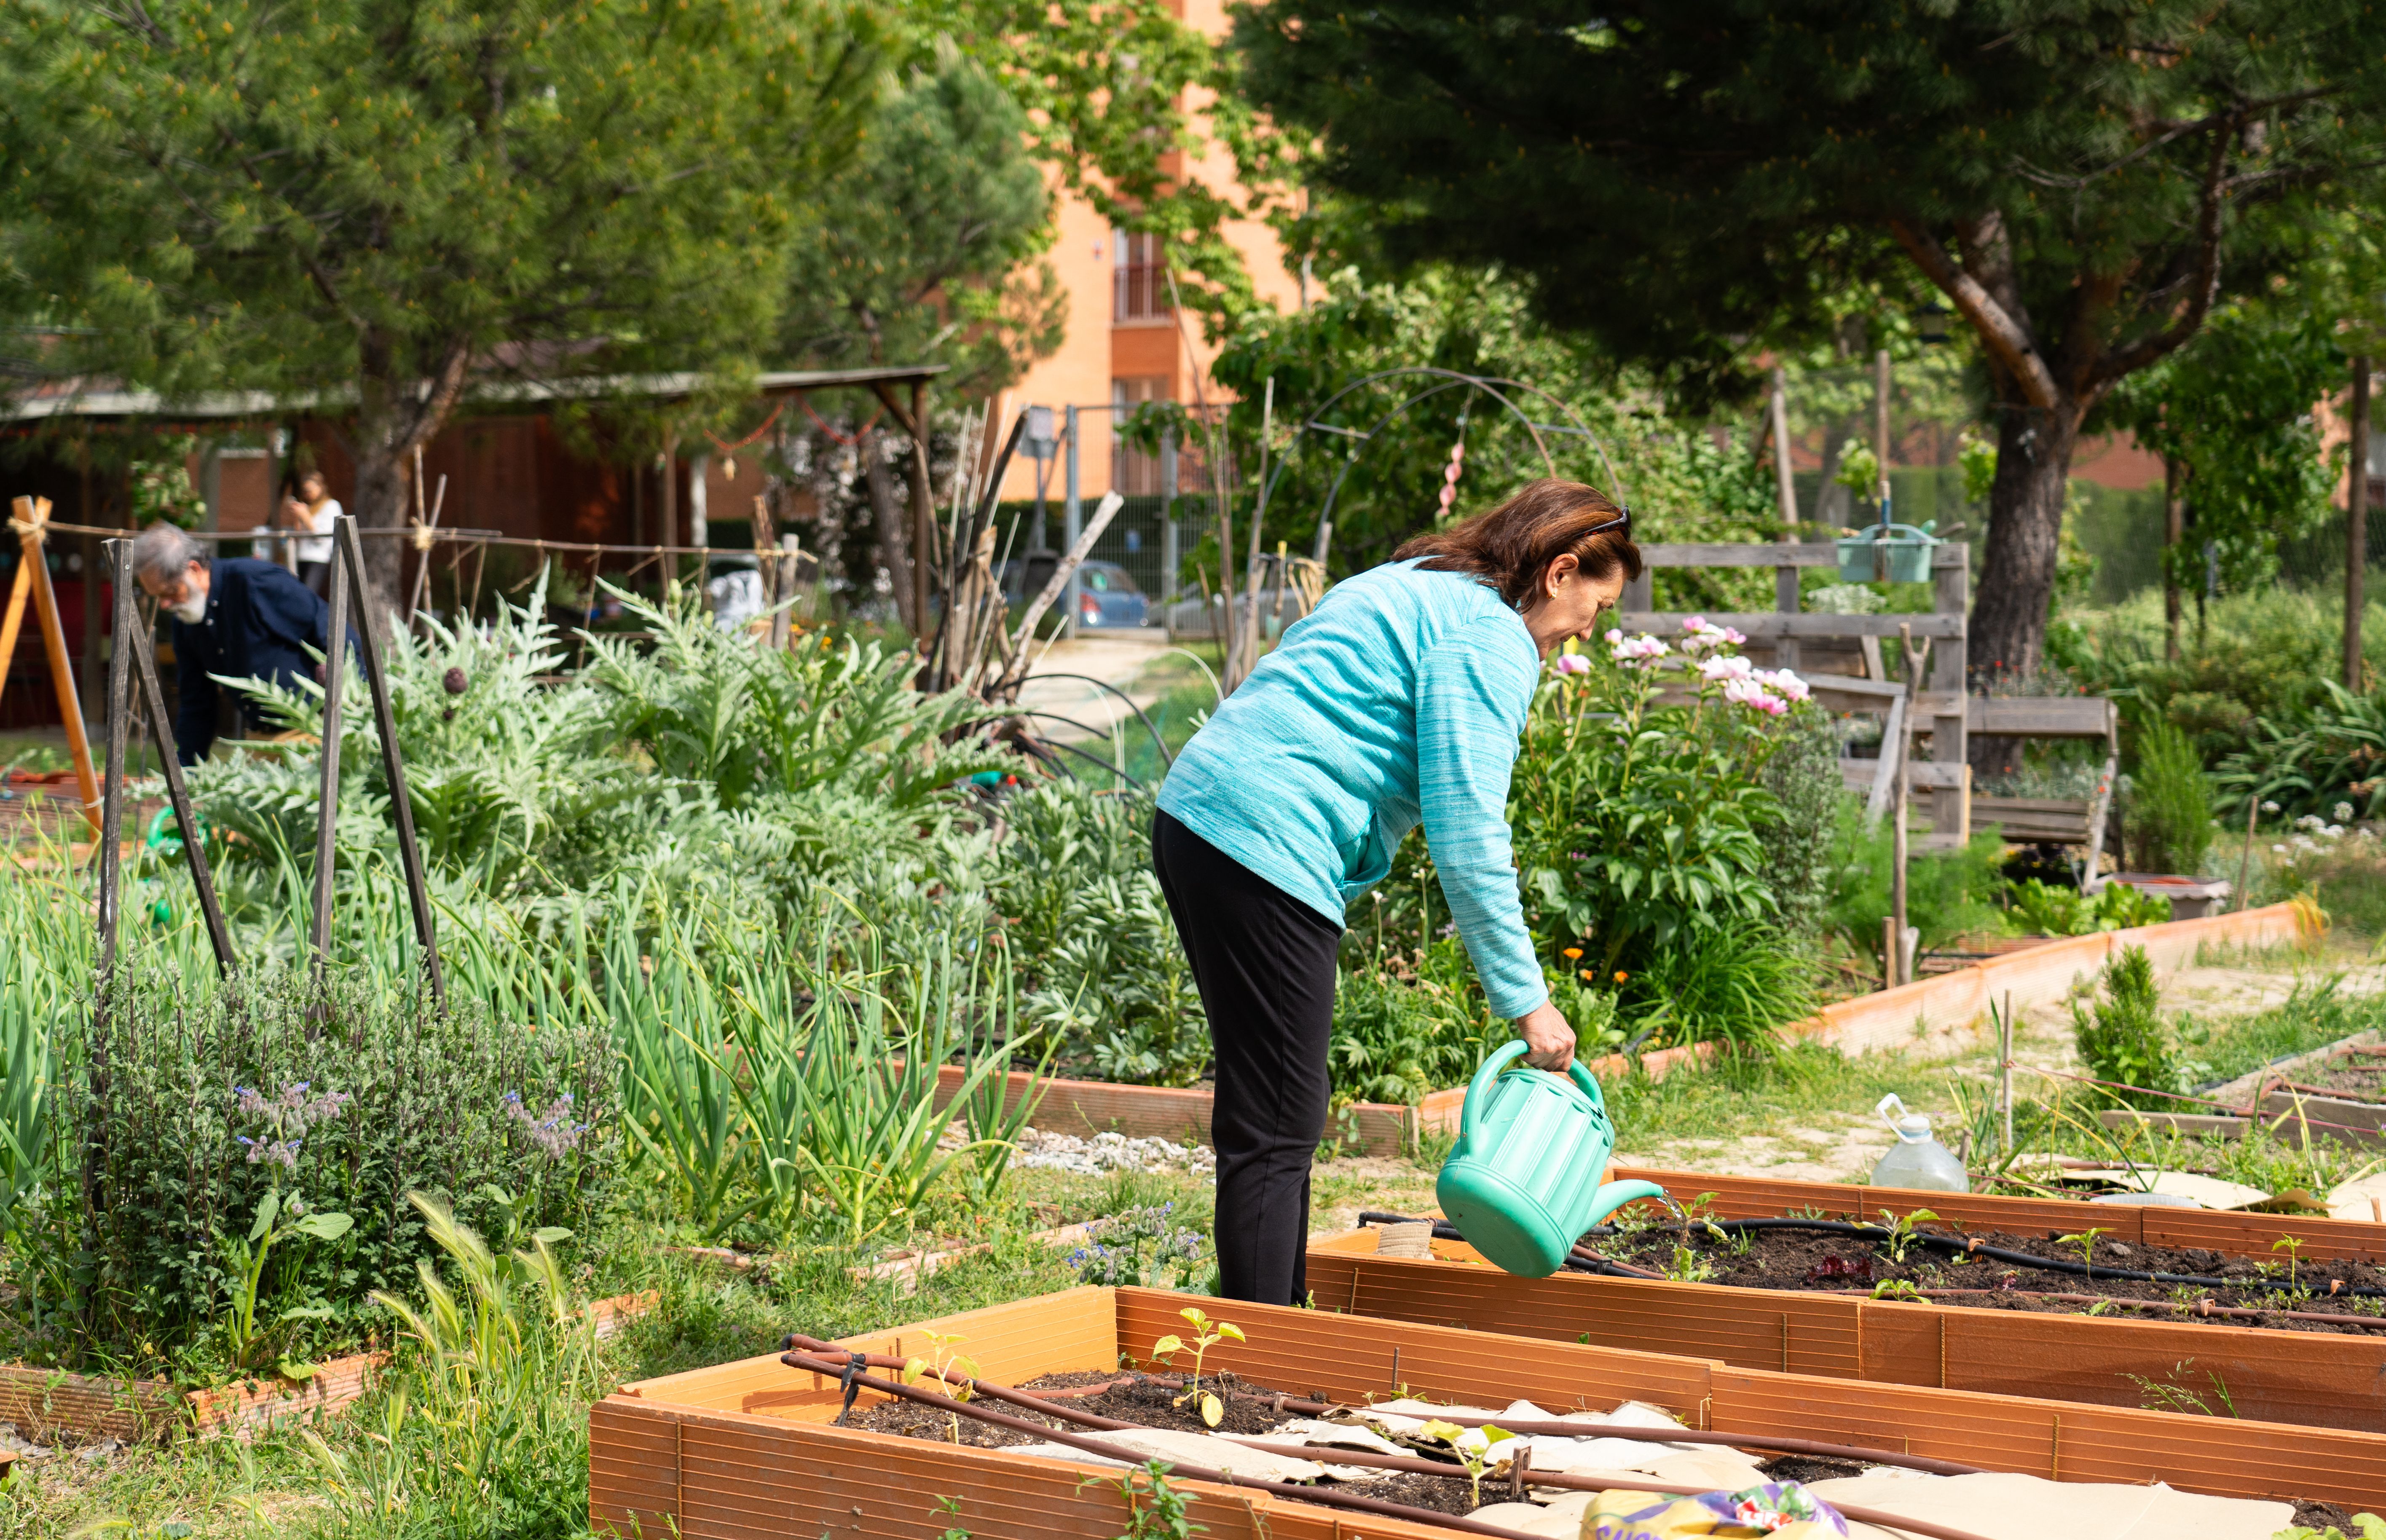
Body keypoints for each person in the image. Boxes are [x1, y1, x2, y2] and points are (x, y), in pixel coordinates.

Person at [1153, 478, 1642, 1306]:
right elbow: (1468, 829)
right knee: (1277, 1119)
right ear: (1559, 572)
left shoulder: (1416, 581)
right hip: (1270, 837)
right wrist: (1528, 1004)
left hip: (1199, 818)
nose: (1583, 635)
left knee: (1274, 1109)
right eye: (1592, 609)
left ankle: (1274, 1316)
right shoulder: (1488, 637)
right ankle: (1262, 1356)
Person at [131, 523, 343, 766]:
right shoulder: (187, 623)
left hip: (316, 732)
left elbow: (334, 632)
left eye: (170, 593)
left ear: (194, 569)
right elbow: (197, 703)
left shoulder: (255, 581)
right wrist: (186, 771)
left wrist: (346, 692)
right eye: (159, 597)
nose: (166, 605)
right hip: (260, 741)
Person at [281, 471, 342, 597]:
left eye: (310, 490)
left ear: (321, 487)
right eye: (305, 491)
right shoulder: (309, 508)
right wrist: (297, 518)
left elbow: (322, 537)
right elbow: (299, 537)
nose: (307, 494)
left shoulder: (331, 506)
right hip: (301, 556)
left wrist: (306, 516)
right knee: (299, 595)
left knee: (308, 595)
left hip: (318, 558)